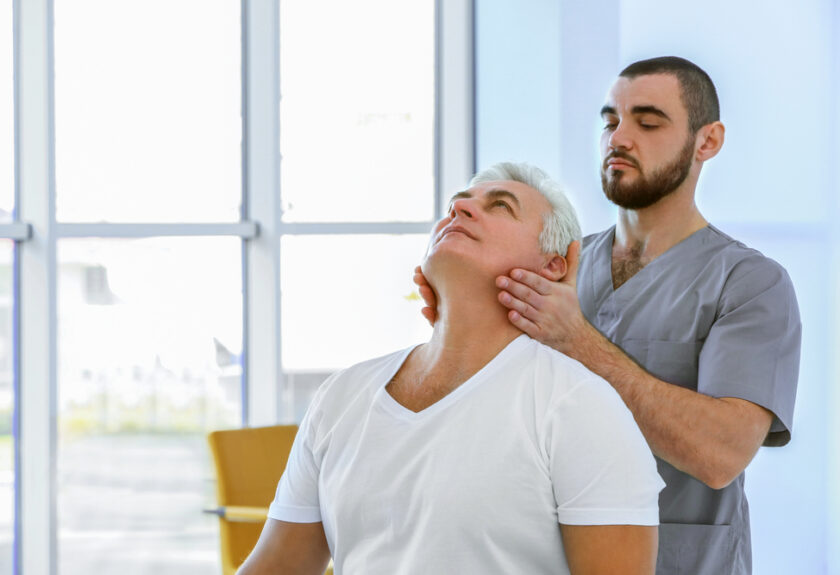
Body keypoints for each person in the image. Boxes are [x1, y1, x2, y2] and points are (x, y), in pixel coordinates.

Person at [416, 57, 801, 575]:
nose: (619, 138)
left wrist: (578, 342)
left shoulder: (750, 284)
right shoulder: (555, 266)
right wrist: (453, 329)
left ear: (707, 142)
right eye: (609, 121)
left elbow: (720, 454)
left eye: (647, 122)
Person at [238, 162, 665, 575]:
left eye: (500, 206)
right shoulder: (342, 396)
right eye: (456, 204)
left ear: (553, 265)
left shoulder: (579, 406)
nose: (460, 210)